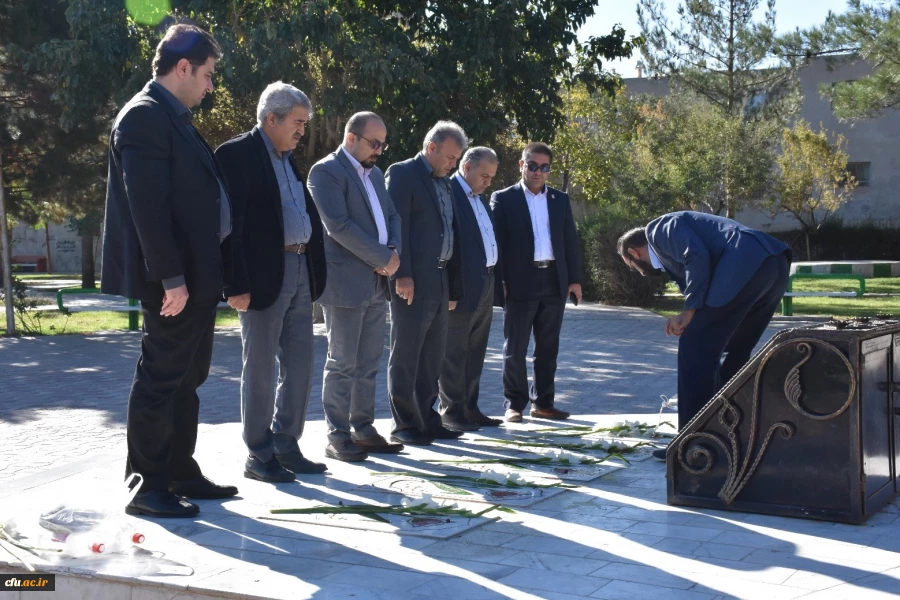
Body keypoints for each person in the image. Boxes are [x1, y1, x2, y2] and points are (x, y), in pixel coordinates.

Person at [101, 23, 237, 518]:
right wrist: (171, 278)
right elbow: (148, 208)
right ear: (182, 67)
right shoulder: (144, 116)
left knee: (187, 377)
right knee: (161, 379)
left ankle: (179, 470)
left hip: (197, 276)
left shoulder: (172, 117)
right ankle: (145, 486)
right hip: (175, 282)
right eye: (207, 75)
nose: (210, 86)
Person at [215, 83, 328, 482]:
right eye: (297, 122)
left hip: (298, 269)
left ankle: (285, 444)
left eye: (305, 123)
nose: (302, 131)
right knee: (260, 367)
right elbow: (230, 226)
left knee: (300, 364)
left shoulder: (287, 158)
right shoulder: (236, 155)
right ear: (271, 119)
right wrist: (234, 284)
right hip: (263, 277)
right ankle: (258, 454)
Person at [617, 211, 791, 459]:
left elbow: (696, 256)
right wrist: (692, 315)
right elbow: (699, 270)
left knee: (694, 348)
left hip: (744, 265)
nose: (641, 273)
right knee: (736, 349)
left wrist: (689, 312)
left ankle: (692, 442)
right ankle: (730, 433)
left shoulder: (658, 229)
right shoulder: (669, 253)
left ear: (634, 254)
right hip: (773, 264)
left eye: (633, 267)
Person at [307, 112, 404, 461]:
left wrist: (392, 252)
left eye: (383, 144)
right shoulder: (325, 172)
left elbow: (392, 215)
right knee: (342, 363)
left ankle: (362, 429)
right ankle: (337, 436)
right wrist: (383, 257)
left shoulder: (375, 174)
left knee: (369, 362)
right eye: (374, 143)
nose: (379, 150)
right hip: (345, 284)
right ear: (351, 138)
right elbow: (338, 226)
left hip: (378, 282)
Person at [385, 121, 468, 445]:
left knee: (432, 356)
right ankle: (404, 424)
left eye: (457, 159)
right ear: (431, 147)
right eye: (450, 157)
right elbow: (397, 227)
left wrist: (453, 287)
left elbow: (452, 233)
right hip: (413, 280)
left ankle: (427, 419)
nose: (453, 165)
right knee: (407, 355)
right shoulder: (402, 173)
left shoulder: (445, 183)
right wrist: (401, 273)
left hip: (440, 278)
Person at [491, 142, 583, 423]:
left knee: (548, 348)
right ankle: (514, 404)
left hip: (554, 280)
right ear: (522, 165)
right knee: (515, 348)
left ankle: (543, 403)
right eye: (532, 166)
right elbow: (497, 244)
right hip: (520, 281)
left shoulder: (560, 199)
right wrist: (500, 280)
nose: (538, 172)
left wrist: (575, 280)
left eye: (544, 167)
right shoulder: (503, 199)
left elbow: (570, 241)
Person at [438, 147, 503, 431]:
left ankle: (470, 408)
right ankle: (451, 412)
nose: (488, 182)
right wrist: (453, 288)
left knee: (475, 350)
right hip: (462, 284)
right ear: (466, 167)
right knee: (454, 352)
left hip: (486, 281)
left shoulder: (480, 198)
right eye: (484, 175)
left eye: (492, 177)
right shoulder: (450, 192)